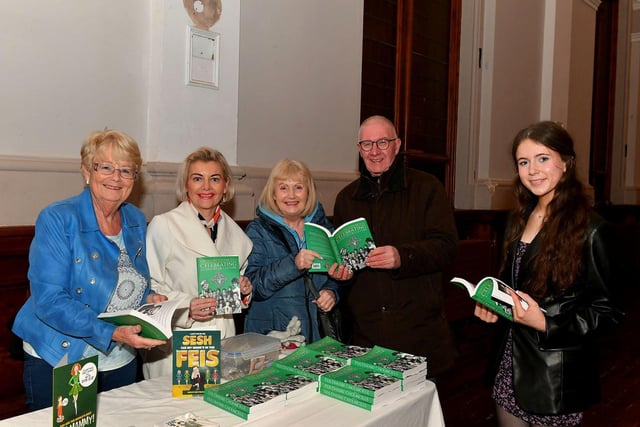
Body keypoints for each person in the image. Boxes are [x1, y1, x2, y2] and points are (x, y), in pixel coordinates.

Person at [474, 121, 624, 426]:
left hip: (555, 373)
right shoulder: (518, 218)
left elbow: (609, 312)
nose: (532, 170)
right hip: (509, 362)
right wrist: (493, 302)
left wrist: (547, 323)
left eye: (543, 158)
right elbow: (514, 280)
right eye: (523, 162)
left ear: (567, 162)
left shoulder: (592, 229)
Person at [12, 129, 168, 411]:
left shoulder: (135, 219)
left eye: (125, 170)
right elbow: (50, 301)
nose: (116, 178)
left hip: (120, 357)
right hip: (61, 355)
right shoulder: (58, 218)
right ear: (86, 171)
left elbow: (134, 280)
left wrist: (149, 298)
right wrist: (112, 333)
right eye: (105, 167)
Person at [333, 115, 458, 378]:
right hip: (365, 334)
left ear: (397, 145)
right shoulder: (346, 198)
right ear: (359, 149)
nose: (374, 151)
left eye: (382, 142)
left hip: (417, 332)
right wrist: (340, 272)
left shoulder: (427, 188)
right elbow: (347, 260)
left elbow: (447, 248)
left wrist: (403, 256)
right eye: (367, 144)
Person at [142, 147, 254, 379]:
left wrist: (243, 291)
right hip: (179, 342)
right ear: (186, 185)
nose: (206, 187)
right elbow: (149, 289)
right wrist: (187, 308)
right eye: (197, 179)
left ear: (225, 186)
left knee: (217, 412)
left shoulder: (239, 236)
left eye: (214, 179)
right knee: (175, 411)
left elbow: (233, 298)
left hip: (223, 341)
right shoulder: (164, 226)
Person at [243, 159, 351, 343]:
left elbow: (338, 276)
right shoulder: (258, 231)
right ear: (274, 194)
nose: (291, 195)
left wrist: (332, 292)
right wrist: (293, 264)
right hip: (275, 338)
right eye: (283, 188)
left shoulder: (323, 229)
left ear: (308, 192)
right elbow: (252, 288)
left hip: (318, 336)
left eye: (298, 188)